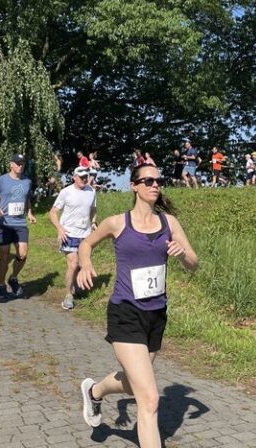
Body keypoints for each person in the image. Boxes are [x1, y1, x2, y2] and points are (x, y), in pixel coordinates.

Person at [77, 163, 198, 447]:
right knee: (150, 398)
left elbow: (194, 264)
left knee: (133, 383)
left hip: (156, 315)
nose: (155, 185)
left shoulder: (169, 223)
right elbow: (86, 244)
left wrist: (181, 255)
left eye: (158, 181)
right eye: (148, 181)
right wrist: (85, 264)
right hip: (125, 312)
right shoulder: (118, 222)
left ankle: (94, 391)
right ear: (134, 185)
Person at [49, 167, 97, 310]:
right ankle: (68, 295)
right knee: (73, 263)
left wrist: (93, 222)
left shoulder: (92, 191)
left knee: (82, 263)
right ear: (74, 177)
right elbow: (52, 212)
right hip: (68, 233)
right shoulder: (66, 192)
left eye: (86, 176)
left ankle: (76, 285)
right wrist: (60, 228)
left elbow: (93, 209)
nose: (84, 179)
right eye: (81, 176)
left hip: (85, 234)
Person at [0, 154, 36, 299]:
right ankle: (1, 285)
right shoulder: (1, 180)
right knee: (4, 256)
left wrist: (29, 213)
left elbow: (27, 199)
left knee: (23, 254)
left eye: (22, 163)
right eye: (17, 163)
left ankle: (13, 278)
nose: (20, 166)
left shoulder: (27, 181)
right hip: (4, 223)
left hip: (20, 223)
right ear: (11, 164)